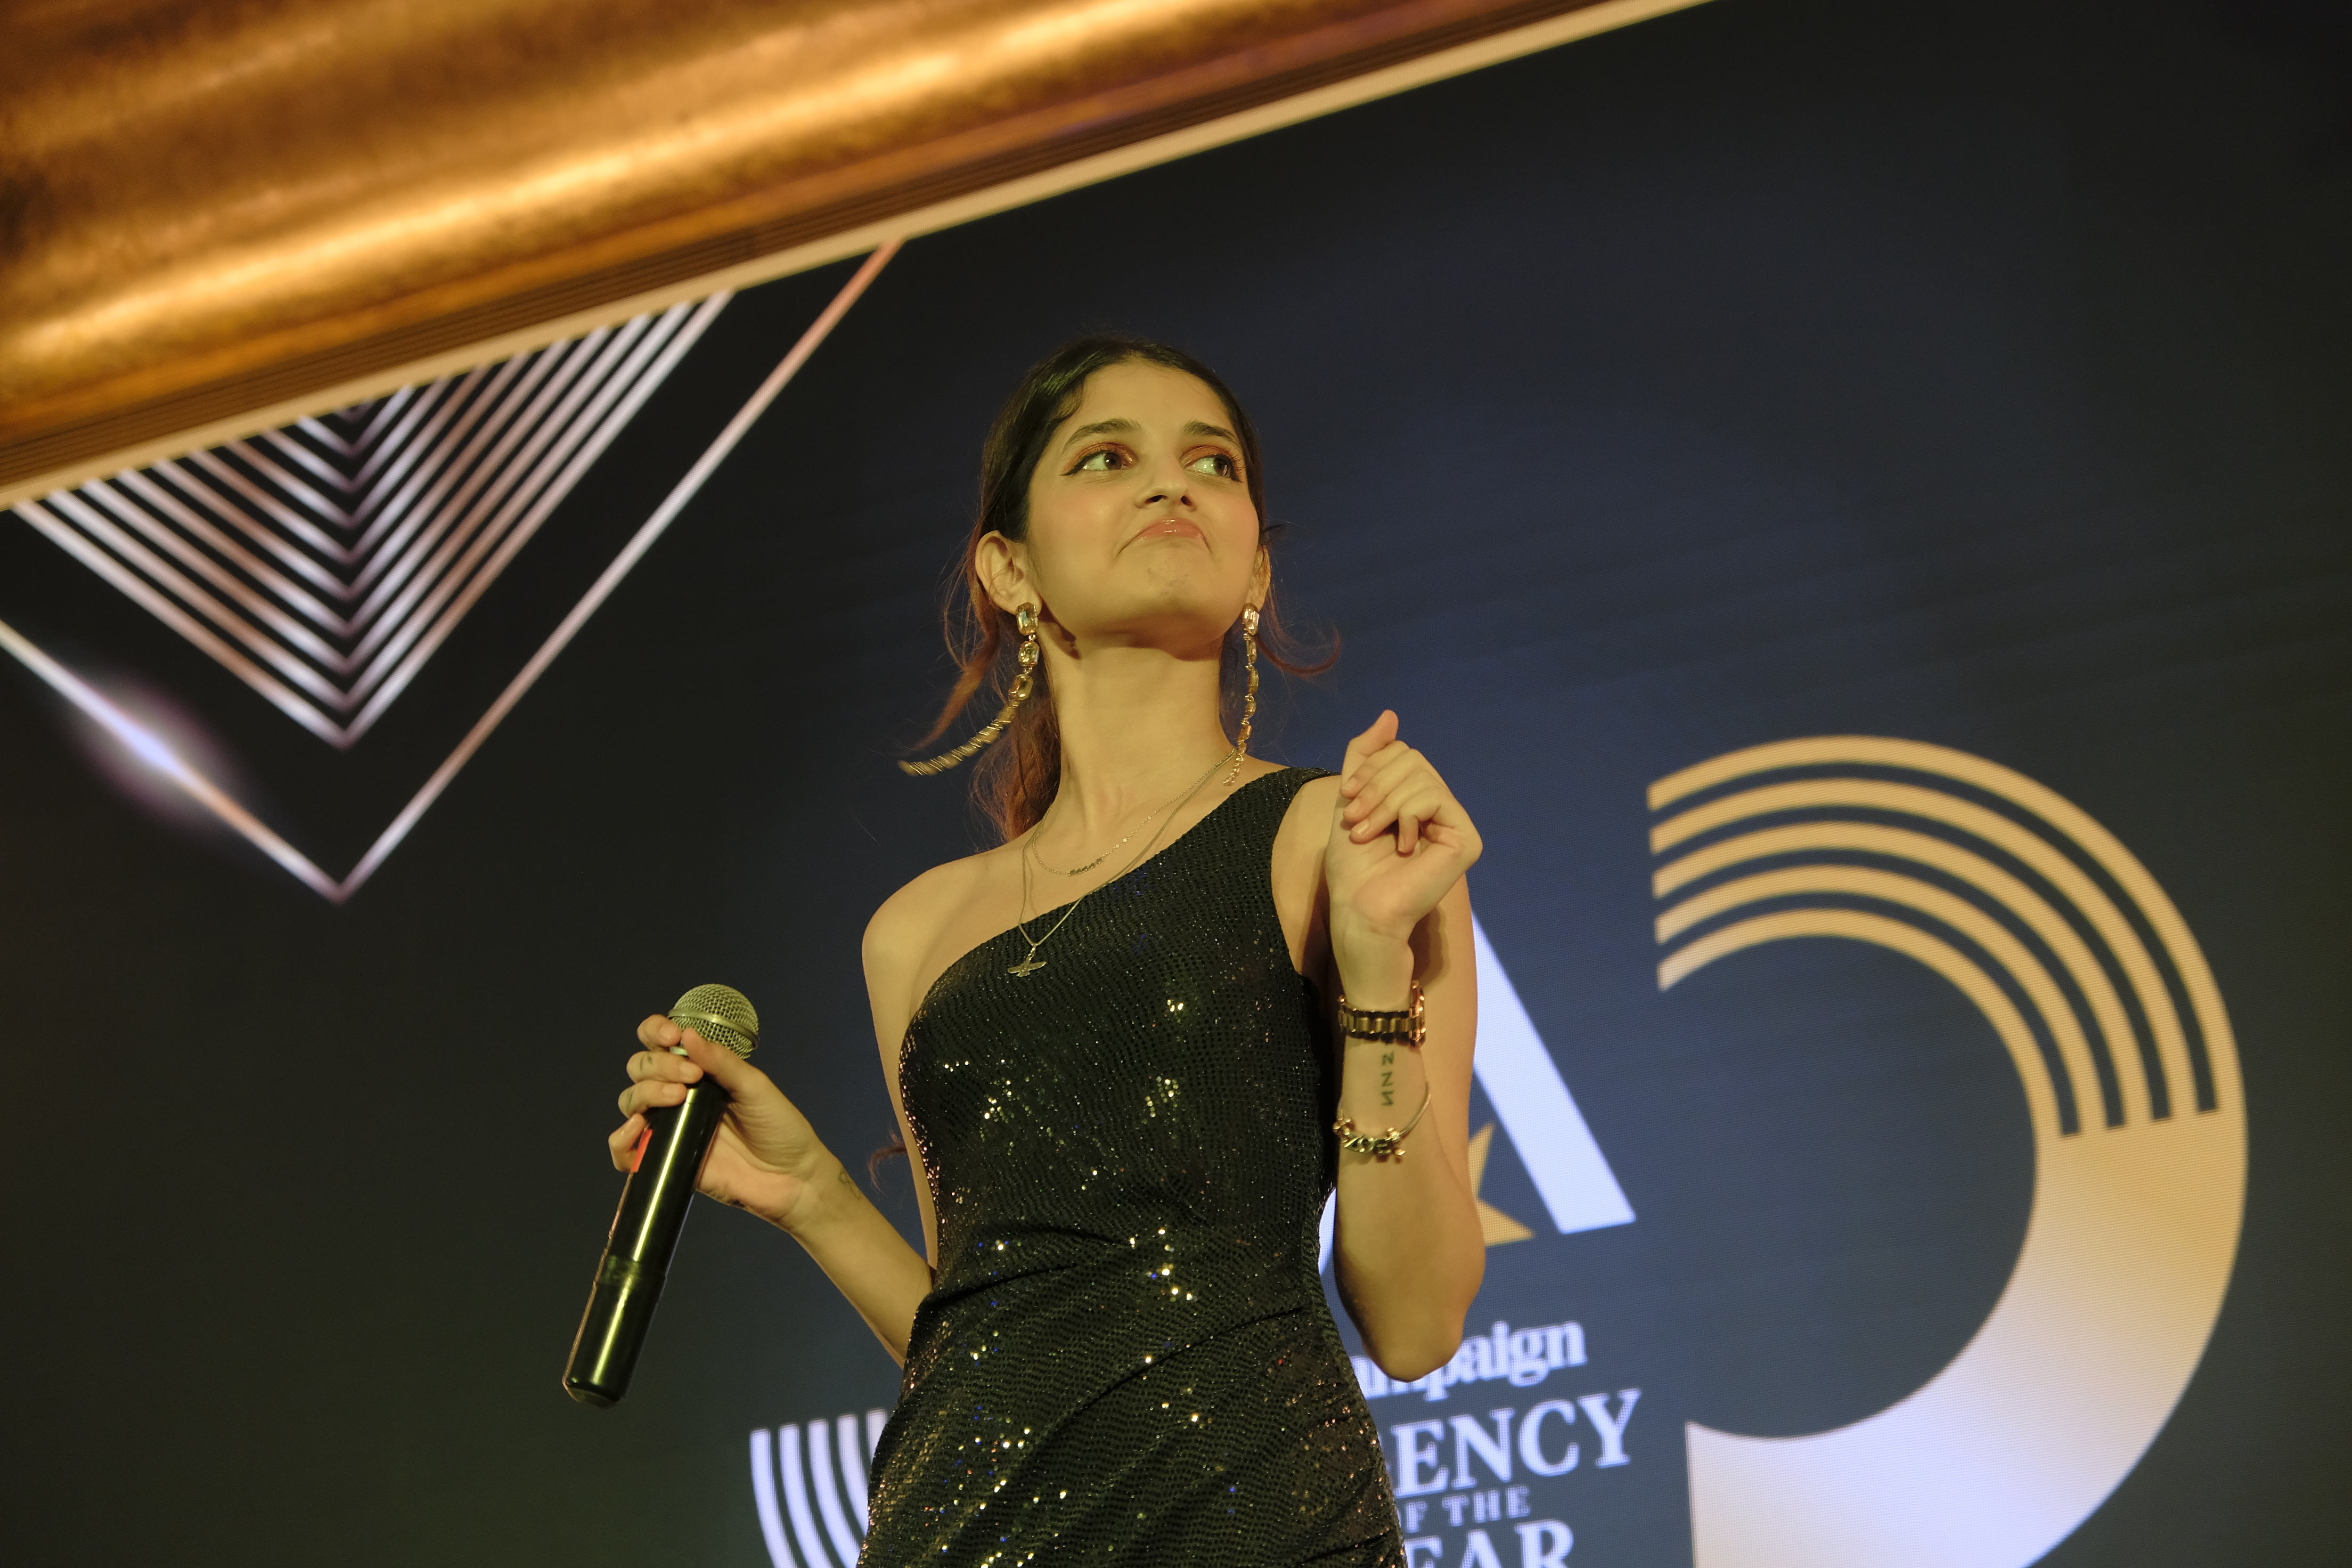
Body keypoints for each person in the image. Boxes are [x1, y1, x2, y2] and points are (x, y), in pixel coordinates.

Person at [609, 336, 1486, 1564]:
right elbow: (981, 1340)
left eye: (1213, 463)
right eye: (1107, 457)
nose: (1171, 482)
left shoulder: (1337, 840)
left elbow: (1418, 1322)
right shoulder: (916, 931)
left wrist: (1379, 964)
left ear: (1256, 566)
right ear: (1009, 568)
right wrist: (811, 1194)